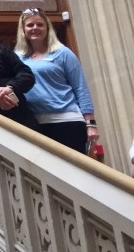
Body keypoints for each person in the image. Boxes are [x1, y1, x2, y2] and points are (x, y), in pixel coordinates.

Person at [15, 8, 97, 154]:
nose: (35, 28)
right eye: (30, 25)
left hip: (67, 121)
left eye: (40, 24)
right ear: (23, 29)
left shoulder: (63, 53)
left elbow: (80, 87)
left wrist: (91, 124)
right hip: (34, 123)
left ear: (47, 28)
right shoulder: (17, 57)